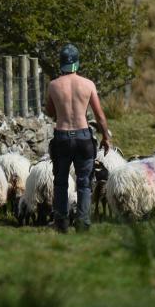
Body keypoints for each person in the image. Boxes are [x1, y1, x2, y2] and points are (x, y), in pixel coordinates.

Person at [44, 43, 112, 233]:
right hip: (83, 137)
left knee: (60, 181)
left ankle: (61, 223)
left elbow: (50, 112)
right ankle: (83, 223)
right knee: (84, 182)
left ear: (61, 64)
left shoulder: (53, 85)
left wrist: (59, 106)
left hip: (62, 137)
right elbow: (100, 116)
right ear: (77, 63)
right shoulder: (88, 84)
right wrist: (106, 137)